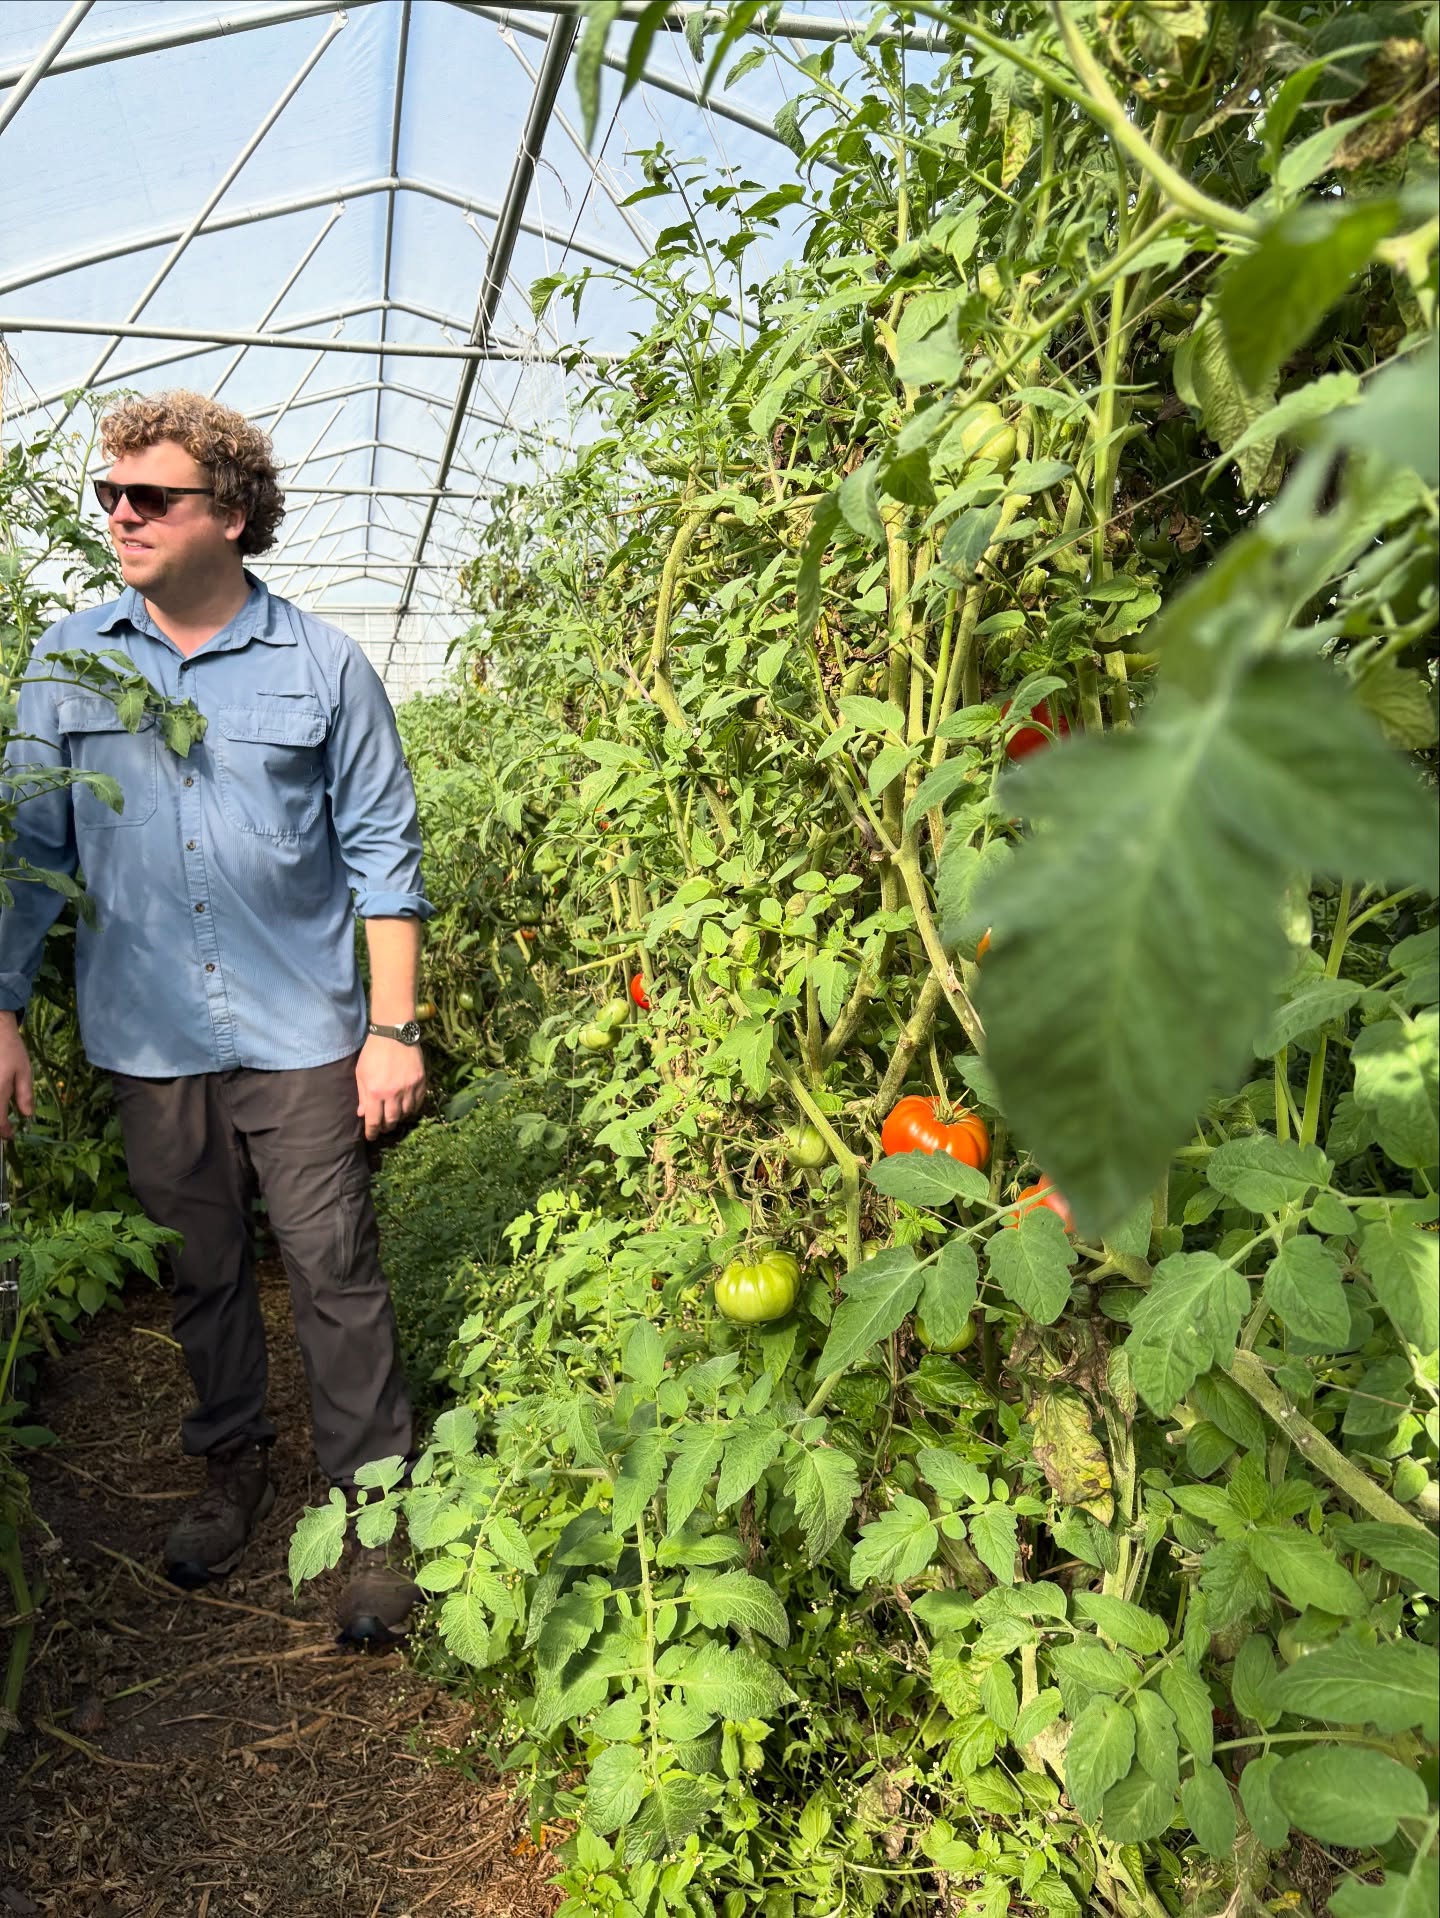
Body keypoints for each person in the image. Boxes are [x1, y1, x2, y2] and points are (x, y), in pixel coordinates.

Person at [0, 390, 432, 1646]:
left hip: (302, 1030)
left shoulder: (322, 665)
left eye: (152, 497)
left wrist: (392, 1030)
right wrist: (6, 1008)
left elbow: (385, 852)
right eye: (110, 495)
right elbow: (28, 851)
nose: (121, 516)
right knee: (203, 1270)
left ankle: (373, 1512)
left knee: (334, 1269)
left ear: (232, 516)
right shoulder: (68, 664)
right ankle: (229, 1465)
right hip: (148, 1033)